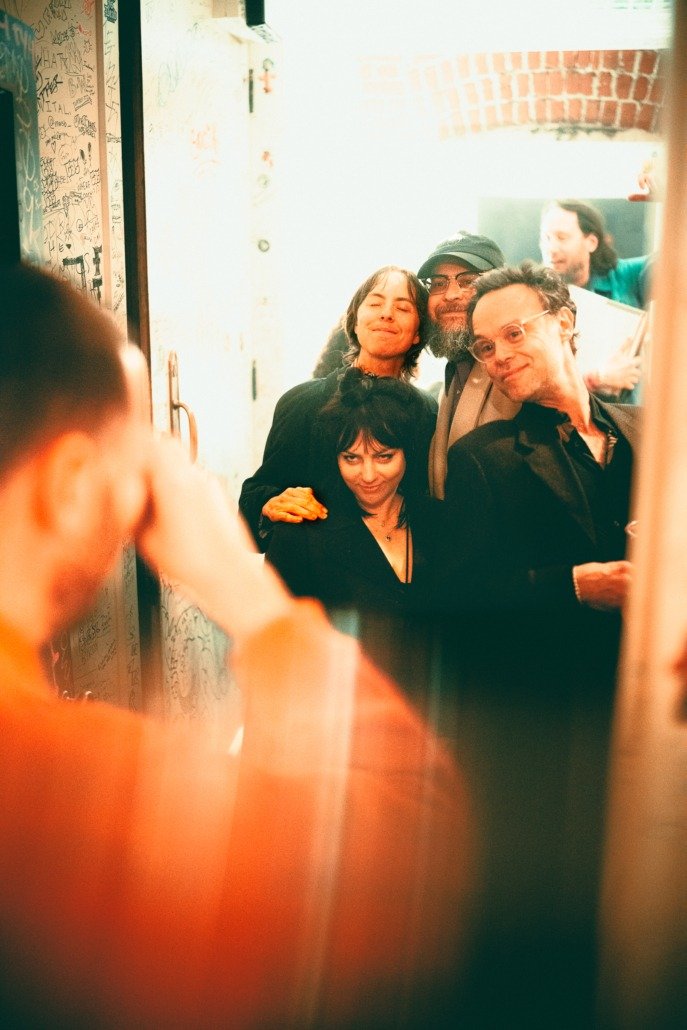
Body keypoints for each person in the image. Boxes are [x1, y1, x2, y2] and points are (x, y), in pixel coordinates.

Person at [0, 262, 470, 1027]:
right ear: (74, 482)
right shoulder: (76, 790)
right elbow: (407, 866)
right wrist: (250, 599)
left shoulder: (422, 412)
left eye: (402, 305)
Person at [441, 261, 642, 1024]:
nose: (498, 356)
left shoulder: (649, 431)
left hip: (654, 707)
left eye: (513, 333)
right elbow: (460, 599)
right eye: (484, 349)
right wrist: (570, 586)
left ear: (564, 321)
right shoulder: (481, 459)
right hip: (549, 720)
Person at [265, 368, 446, 699]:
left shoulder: (439, 524)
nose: (367, 475)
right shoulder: (303, 532)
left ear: (408, 452)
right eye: (351, 457)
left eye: (384, 457)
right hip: (338, 723)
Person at [239, 265, 437, 549]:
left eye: (403, 308)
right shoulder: (303, 403)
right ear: (354, 322)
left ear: (418, 333)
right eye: (375, 303)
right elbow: (254, 495)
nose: (386, 313)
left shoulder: (426, 412)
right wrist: (270, 504)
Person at [416, 232, 518, 498]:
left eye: (469, 281)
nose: (450, 295)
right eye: (438, 283)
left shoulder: (518, 370)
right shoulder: (453, 374)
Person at [539, 198, 653, 401]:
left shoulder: (625, 276)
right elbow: (536, 385)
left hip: (632, 419)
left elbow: (676, 255)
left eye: (561, 237)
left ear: (591, 242)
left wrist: (665, 191)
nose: (551, 248)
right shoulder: (534, 298)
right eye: (546, 238)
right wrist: (596, 379)